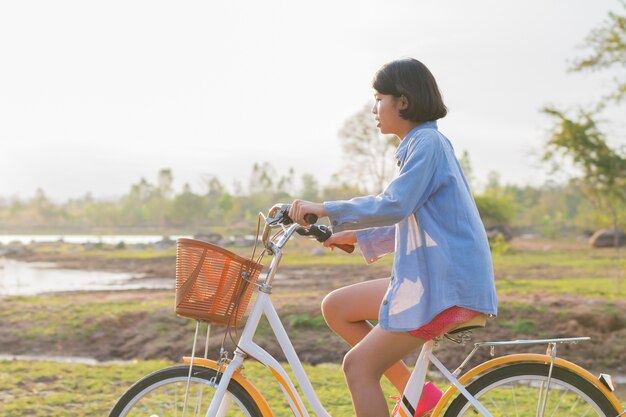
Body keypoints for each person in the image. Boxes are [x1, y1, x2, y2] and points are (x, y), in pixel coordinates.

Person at [289, 58, 498, 417]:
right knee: (336, 307)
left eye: (378, 98)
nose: (374, 108)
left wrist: (325, 208)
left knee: (359, 368)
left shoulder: (427, 143)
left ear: (402, 101)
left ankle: (413, 396)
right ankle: (417, 395)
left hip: (447, 286)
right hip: (436, 279)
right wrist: (356, 236)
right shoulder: (421, 144)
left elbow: (396, 204)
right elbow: (410, 216)